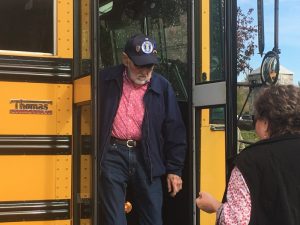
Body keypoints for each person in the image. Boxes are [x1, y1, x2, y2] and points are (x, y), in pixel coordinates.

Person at [98, 34, 187, 225]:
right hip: (113, 155)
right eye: (140, 65)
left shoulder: (162, 87)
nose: (145, 72)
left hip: (148, 156)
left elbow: (175, 129)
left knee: (153, 218)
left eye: (150, 66)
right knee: (114, 221)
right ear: (125, 60)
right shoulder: (105, 80)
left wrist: (174, 169)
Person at [196, 85, 300, 225]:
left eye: (254, 118)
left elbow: (236, 221)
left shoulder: (248, 162)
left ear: (265, 122)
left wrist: (215, 205)